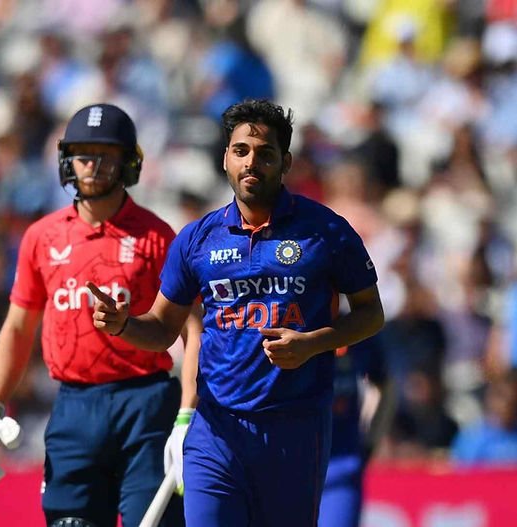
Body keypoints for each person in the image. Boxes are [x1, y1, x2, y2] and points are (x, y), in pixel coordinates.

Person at [88, 98, 385, 526]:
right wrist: (123, 325)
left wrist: (313, 344)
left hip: (294, 431)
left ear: (285, 163)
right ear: (226, 158)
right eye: (241, 151)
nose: (252, 163)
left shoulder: (326, 230)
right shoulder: (197, 239)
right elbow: (161, 328)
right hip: (216, 430)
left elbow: (371, 314)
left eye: (265, 154)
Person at [0, 102, 192, 527]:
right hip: (73, 407)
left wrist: (188, 413)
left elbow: (194, 330)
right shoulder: (42, 237)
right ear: (67, 159)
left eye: (106, 154)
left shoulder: (158, 236)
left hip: (146, 404)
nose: (92, 165)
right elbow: (17, 326)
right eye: (84, 153)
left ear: (129, 162)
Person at [318, 335, 395, 527]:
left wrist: (371, 439)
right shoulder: (288, 322)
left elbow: (385, 385)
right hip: (288, 466)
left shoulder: (357, 327)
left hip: (341, 468)